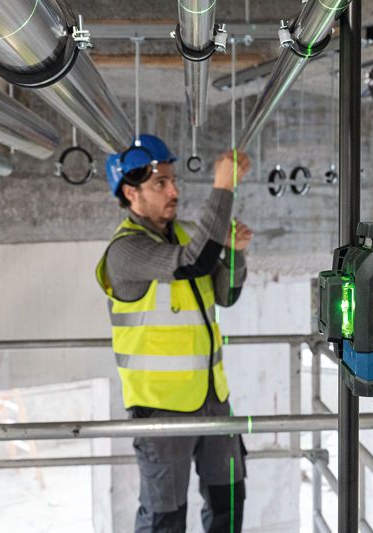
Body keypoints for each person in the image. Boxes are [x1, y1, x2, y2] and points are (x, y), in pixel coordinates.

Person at [95, 134, 253, 532]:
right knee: (165, 518)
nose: (174, 191)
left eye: (172, 180)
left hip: (213, 397)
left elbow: (225, 293)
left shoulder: (183, 234)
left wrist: (234, 253)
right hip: (161, 409)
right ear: (131, 193)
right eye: (159, 184)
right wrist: (224, 186)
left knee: (228, 503)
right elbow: (195, 263)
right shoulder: (125, 252)